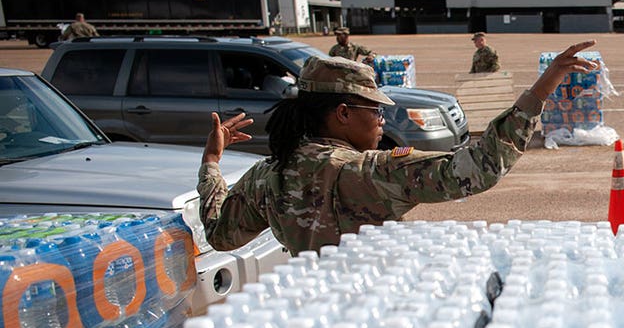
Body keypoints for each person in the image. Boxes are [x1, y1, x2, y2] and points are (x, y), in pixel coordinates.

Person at [198, 41, 599, 255]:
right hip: (376, 319)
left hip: (311, 322)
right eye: (374, 111)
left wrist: (212, 164)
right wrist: (544, 86)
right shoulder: (364, 173)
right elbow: (478, 167)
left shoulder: (267, 175)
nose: (382, 121)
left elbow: (220, 234)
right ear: (342, 113)